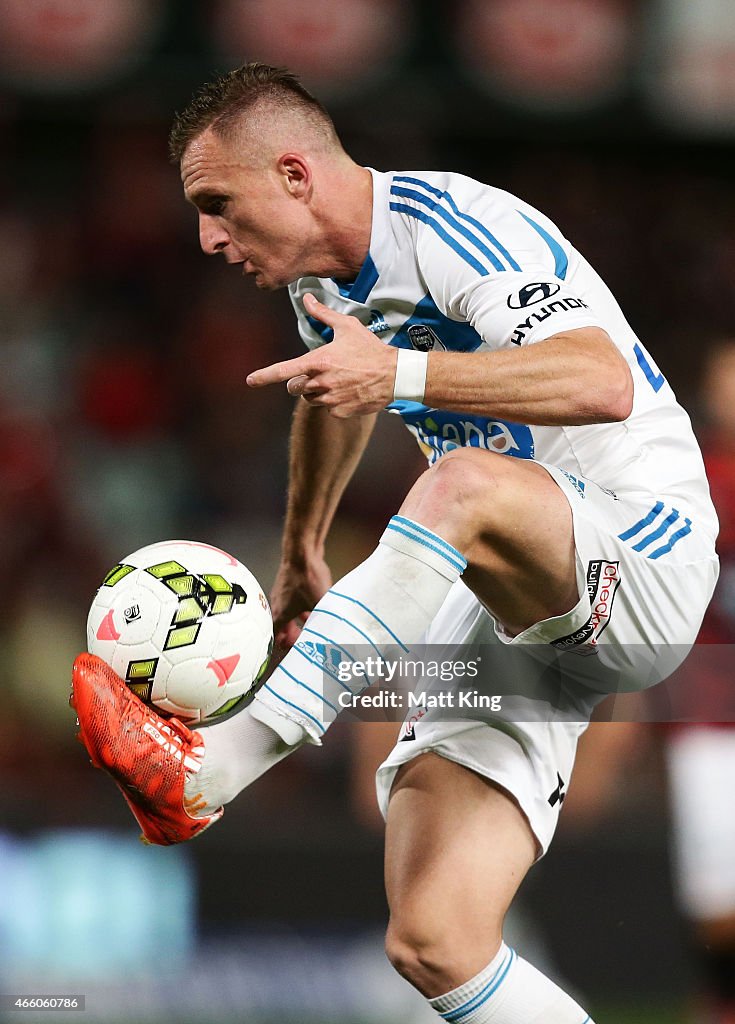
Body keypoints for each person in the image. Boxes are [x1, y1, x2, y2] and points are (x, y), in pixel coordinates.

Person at [71, 63, 719, 1024]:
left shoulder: (456, 226)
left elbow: (600, 379)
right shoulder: (320, 284)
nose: (206, 238)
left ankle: (212, 770)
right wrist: (302, 547)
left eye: (217, 204)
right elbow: (342, 392)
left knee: (455, 485)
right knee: (434, 942)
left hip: (642, 551)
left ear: (294, 174)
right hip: (515, 600)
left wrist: (404, 371)